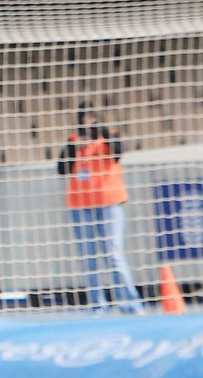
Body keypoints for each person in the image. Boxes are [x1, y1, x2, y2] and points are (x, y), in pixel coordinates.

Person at [57, 102, 142, 313]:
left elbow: (119, 152)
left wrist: (101, 130)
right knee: (88, 257)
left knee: (113, 254)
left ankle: (129, 303)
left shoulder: (108, 137)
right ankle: (98, 305)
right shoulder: (74, 141)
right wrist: (74, 146)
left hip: (108, 202)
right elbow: (61, 169)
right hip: (80, 204)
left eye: (91, 119)